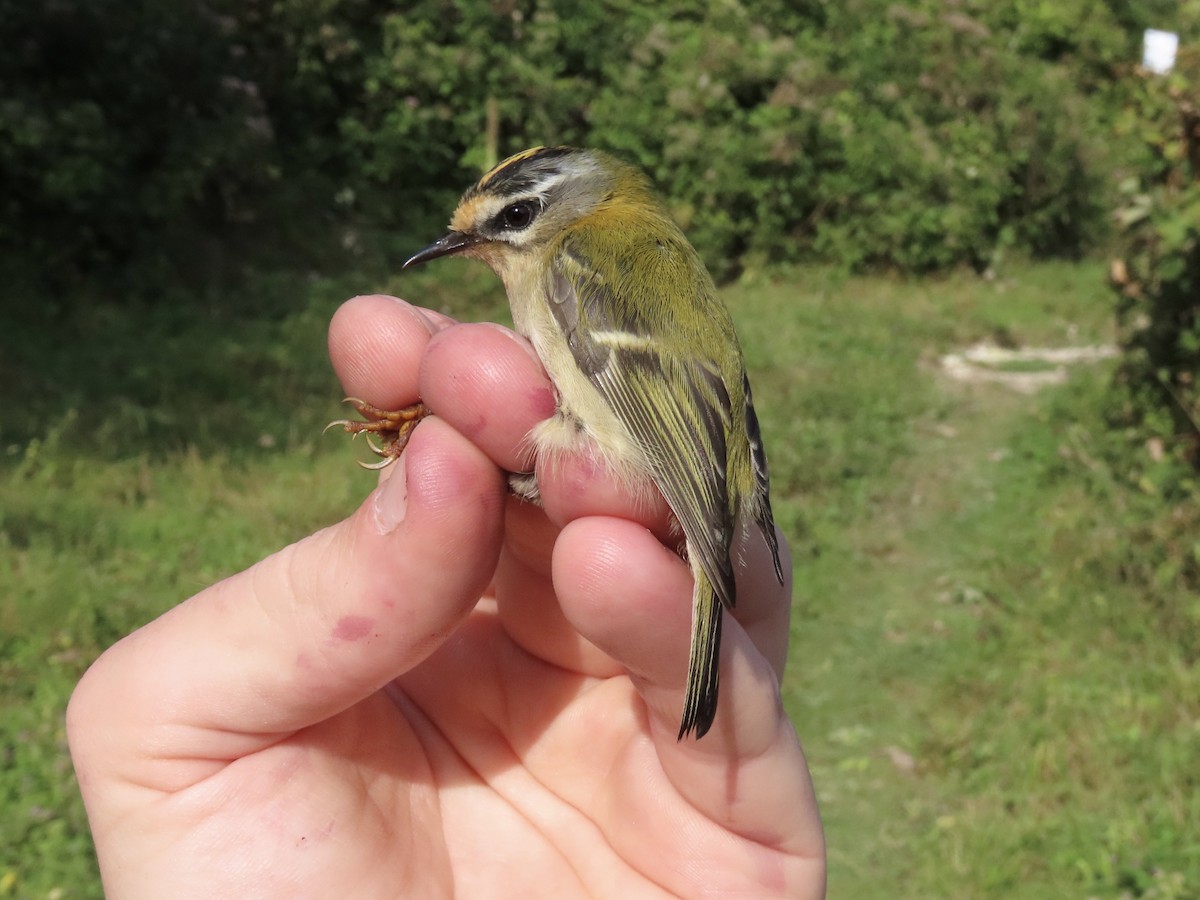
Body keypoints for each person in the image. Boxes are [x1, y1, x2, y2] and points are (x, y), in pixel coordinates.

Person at [66, 294, 826, 898]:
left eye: (510, 221)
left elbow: (643, 417)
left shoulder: (577, 261)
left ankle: (460, 448)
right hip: (668, 478)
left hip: (657, 464)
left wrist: (706, 514)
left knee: (538, 466)